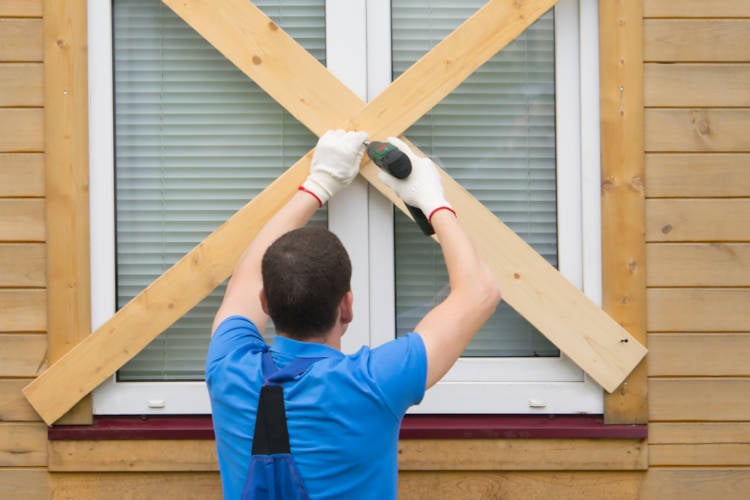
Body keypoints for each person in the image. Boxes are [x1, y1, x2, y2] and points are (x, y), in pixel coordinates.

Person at [206, 129, 501, 499]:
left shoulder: (228, 365)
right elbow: (480, 291)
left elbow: (247, 275)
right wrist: (433, 201)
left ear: (265, 303)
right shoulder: (373, 383)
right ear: (347, 305)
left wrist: (319, 183)